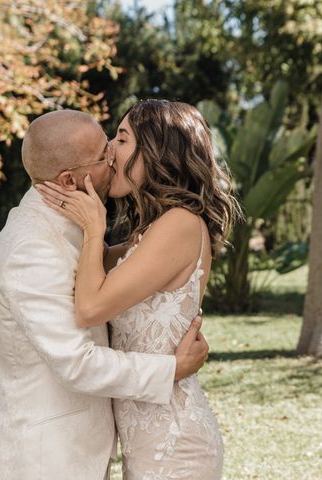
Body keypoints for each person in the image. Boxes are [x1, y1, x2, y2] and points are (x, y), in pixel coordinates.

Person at [0, 109, 210, 480]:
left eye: (116, 141)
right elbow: (77, 362)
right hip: (47, 460)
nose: (113, 158)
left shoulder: (80, 230)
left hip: (130, 446)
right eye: (105, 153)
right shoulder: (31, 247)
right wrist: (172, 368)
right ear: (70, 180)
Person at [36, 100, 241, 479]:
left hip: (174, 445)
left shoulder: (179, 223)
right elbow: (83, 274)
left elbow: (90, 308)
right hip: (147, 443)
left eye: (123, 138)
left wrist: (95, 226)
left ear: (159, 153)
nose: (110, 150)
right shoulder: (149, 234)